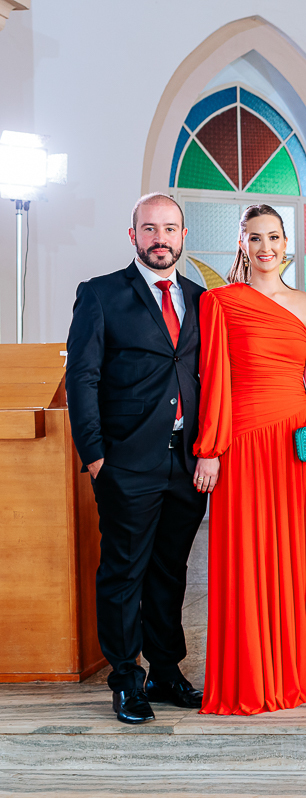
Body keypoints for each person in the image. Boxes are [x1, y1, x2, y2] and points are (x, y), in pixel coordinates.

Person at [65, 193, 208, 724]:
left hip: (187, 462)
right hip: (126, 461)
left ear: (183, 235)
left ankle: (167, 671)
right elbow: (82, 377)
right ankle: (127, 679)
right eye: (149, 229)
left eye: (170, 229)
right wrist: (96, 455)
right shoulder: (101, 295)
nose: (160, 238)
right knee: (125, 571)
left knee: (171, 572)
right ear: (133, 236)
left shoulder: (200, 298)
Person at [192, 205, 306, 715]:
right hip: (245, 441)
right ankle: (252, 676)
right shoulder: (219, 302)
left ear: (286, 242)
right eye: (255, 238)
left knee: (296, 558)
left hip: (295, 438)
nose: (266, 247)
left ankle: (297, 670)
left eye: (274, 237)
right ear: (242, 244)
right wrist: (209, 450)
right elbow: (214, 382)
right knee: (249, 556)